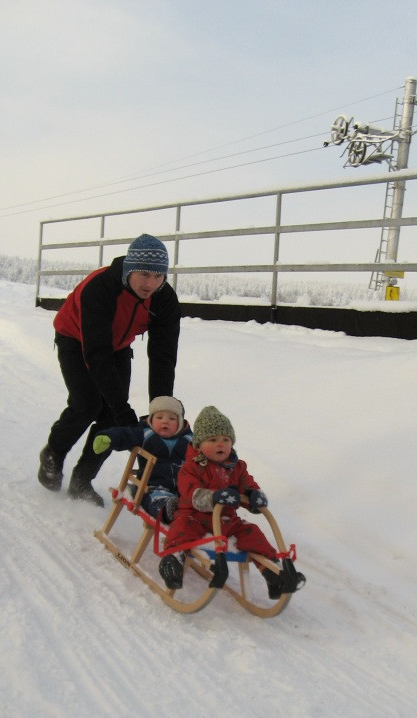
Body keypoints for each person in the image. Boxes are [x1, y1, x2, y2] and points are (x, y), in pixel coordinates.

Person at [37, 233, 181, 506]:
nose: (151, 284)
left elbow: (163, 357)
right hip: (75, 338)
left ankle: (82, 480)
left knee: (112, 419)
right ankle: (53, 454)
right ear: (130, 269)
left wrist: (160, 411)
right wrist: (122, 408)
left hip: (117, 346)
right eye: (144, 274)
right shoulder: (100, 287)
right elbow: (97, 355)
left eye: (158, 276)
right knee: (87, 405)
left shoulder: (164, 299)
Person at [158, 406, 306, 599]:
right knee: (181, 528)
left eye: (226, 440)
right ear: (199, 445)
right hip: (195, 516)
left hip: (226, 520)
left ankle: (273, 572)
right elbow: (191, 492)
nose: (220, 444)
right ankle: (173, 560)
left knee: (252, 532)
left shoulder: (237, 467)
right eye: (213, 440)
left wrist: (254, 495)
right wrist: (213, 497)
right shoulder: (191, 468)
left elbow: (247, 483)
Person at [92, 395, 193, 520]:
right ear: (151, 420)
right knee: (155, 500)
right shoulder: (145, 434)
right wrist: (109, 438)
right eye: (159, 417)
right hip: (153, 487)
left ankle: (197, 516)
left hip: (184, 489)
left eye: (172, 418)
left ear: (180, 423)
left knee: (195, 499)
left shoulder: (188, 440)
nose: (165, 421)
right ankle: (168, 510)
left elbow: (206, 448)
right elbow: (125, 434)